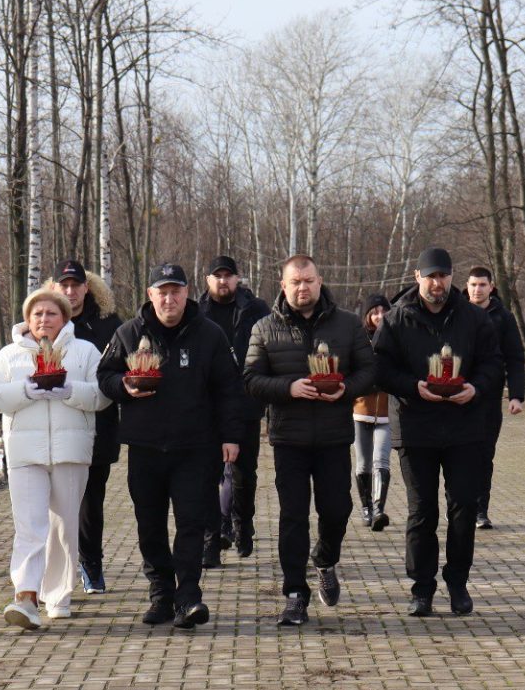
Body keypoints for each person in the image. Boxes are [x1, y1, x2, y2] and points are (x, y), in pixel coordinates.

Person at [97, 263, 244, 629]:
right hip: (145, 448)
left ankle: (188, 597)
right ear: (150, 295)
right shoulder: (129, 333)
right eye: (161, 291)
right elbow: (104, 374)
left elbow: (229, 388)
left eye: (175, 291)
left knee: (191, 524)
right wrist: (123, 388)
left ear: (186, 293)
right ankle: (161, 594)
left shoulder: (208, 335)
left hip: (195, 448)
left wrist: (231, 436)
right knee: (150, 526)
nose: (169, 298)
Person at [243, 255, 376, 625]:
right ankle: (294, 594)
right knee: (293, 518)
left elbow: (370, 370)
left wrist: (346, 389)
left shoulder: (348, 325)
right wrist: (289, 387)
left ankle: (326, 557)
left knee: (337, 510)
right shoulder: (264, 328)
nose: (303, 288)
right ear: (283, 286)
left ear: (320, 282)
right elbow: (251, 380)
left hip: (334, 437)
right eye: (295, 282)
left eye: (309, 281)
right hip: (289, 439)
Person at [373, 247, 502, 617]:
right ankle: (422, 587)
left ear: (451, 277)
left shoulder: (474, 319)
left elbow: (494, 364)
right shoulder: (397, 319)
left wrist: (475, 388)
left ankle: (458, 582)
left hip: (465, 426)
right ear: (417, 277)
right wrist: (414, 386)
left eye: (443, 275)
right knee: (422, 511)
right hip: (416, 426)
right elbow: (379, 368)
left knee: (463, 508)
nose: (437, 283)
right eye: (430, 276)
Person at [0, 288, 109, 629]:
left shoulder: (84, 352)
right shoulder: (10, 355)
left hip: (70, 452)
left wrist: (70, 392)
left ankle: (59, 594)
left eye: (51, 313)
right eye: (37, 314)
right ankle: (26, 596)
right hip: (24, 454)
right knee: (30, 526)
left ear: (64, 318)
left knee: (65, 526)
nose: (43, 320)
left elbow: (102, 395)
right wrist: (24, 391)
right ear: (27, 319)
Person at [48, 260, 124, 593]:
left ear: (86, 288)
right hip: (55, 429)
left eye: (75, 285)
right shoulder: (44, 321)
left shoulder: (109, 326)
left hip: (99, 428)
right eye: (63, 285)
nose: (69, 291)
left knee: (91, 502)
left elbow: (123, 370)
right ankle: (57, 570)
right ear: (54, 289)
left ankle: (91, 564)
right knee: (57, 504)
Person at [197, 254, 271, 564]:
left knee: (244, 474)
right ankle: (211, 540)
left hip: (246, 403)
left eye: (229, 275)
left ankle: (244, 526)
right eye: (218, 275)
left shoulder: (257, 310)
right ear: (208, 280)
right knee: (206, 475)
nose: (223, 280)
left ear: (237, 279)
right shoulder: (197, 312)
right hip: (207, 406)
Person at [464, 266, 525, 528]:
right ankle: (459, 505)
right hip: (458, 395)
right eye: (473, 285)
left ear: (491, 287)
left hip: (489, 399)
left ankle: (480, 510)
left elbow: (514, 358)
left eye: (482, 285)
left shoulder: (503, 318)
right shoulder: (455, 313)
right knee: (459, 455)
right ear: (467, 286)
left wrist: (516, 395)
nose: (477, 289)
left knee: (484, 455)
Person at [353, 294, 394, 531]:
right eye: (374, 311)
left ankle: (379, 509)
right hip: (361, 410)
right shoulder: (359, 340)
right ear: (367, 315)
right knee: (363, 464)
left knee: (382, 460)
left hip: (388, 411)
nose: (380, 315)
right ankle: (366, 507)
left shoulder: (396, 337)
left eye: (384, 310)